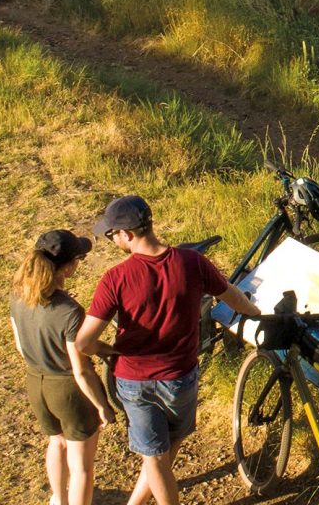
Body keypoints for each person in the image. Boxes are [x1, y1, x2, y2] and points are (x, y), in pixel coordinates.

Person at [76, 195, 262, 505]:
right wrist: (256, 313)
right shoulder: (193, 262)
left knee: (155, 459)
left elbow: (83, 342)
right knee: (166, 449)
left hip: (134, 381)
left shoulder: (115, 279)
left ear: (127, 234)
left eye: (112, 235)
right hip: (180, 377)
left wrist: (105, 350)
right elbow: (233, 297)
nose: (112, 240)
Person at [10, 229, 116, 505]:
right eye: (78, 259)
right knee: (82, 467)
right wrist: (102, 404)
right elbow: (79, 367)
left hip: (36, 381)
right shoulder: (69, 311)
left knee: (56, 442)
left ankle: (58, 498)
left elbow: (20, 344)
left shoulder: (19, 296)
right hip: (68, 391)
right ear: (67, 268)